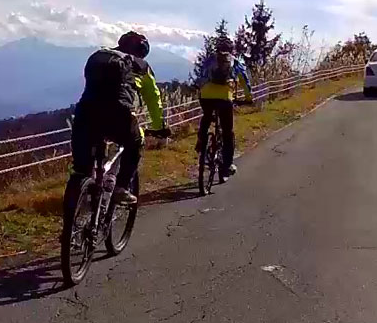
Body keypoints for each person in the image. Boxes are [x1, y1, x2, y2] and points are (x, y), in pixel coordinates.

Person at [71, 31, 171, 207]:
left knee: (80, 171)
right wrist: (159, 126)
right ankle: (121, 188)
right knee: (136, 141)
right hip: (118, 113)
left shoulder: (98, 55)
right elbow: (153, 99)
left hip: (85, 112)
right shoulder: (141, 66)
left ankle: (74, 214)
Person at [195, 34, 253, 181]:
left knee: (207, 117)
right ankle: (227, 166)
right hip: (225, 98)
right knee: (228, 132)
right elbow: (245, 81)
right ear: (231, 50)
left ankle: (201, 142)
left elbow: (200, 77)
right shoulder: (235, 62)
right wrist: (248, 99)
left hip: (206, 96)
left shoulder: (209, 60)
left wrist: (201, 91)